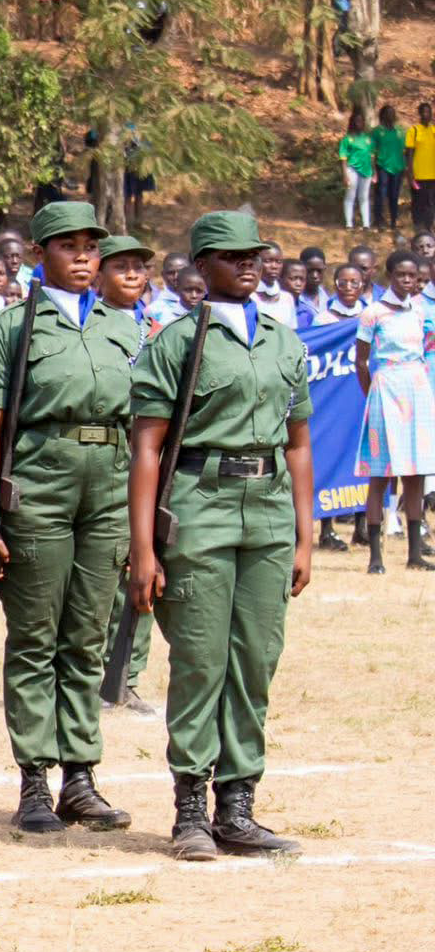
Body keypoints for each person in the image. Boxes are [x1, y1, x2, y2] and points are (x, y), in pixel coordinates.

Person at [130, 212, 313, 860]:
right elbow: (147, 448)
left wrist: (305, 532)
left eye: (254, 255)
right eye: (231, 256)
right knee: (202, 659)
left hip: (266, 509)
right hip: (199, 502)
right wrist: (145, 546)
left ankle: (238, 808)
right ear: (200, 267)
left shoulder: (285, 342)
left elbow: (297, 441)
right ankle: (190, 812)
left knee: (255, 659)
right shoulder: (178, 342)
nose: (248, 264)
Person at [0, 199, 136, 837]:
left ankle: (81, 778)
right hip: (39, 487)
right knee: (36, 638)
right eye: (69, 246)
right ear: (40, 255)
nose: (84, 256)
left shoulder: (125, 328)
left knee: (86, 636)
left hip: (108, 491)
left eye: (91, 245)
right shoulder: (11, 329)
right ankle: (35, 780)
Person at [93, 233, 160, 715]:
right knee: (97, 574)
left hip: (145, 460)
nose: (133, 275)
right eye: (122, 267)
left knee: (141, 571)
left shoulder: (157, 330)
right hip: (103, 460)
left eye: (140, 267)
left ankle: (127, 675)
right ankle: (90, 670)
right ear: (98, 275)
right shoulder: (88, 327)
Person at [354, 250, 435, 573]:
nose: (407, 280)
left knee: (415, 473)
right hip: (385, 389)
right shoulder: (373, 312)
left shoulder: (420, 311)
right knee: (380, 473)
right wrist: (372, 392)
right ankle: (375, 556)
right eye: (401, 274)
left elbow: (427, 351)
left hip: (416, 387)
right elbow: (361, 360)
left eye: (413, 276)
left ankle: (414, 553)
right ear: (390, 275)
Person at [373, 105, 409, 235]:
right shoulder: (377, 131)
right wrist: (373, 170)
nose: (391, 116)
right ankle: (379, 221)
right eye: (388, 113)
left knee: (394, 195)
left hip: (398, 168)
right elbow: (372, 151)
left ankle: (393, 221)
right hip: (382, 167)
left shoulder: (400, 131)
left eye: (393, 113)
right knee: (381, 195)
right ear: (383, 115)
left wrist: (406, 167)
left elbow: (405, 151)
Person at [340, 111, 375, 230]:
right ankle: (349, 224)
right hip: (352, 169)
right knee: (350, 195)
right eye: (357, 121)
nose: (359, 123)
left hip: (366, 171)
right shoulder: (347, 139)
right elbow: (343, 158)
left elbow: (372, 156)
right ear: (353, 123)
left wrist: (374, 172)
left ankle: (366, 224)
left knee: (364, 197)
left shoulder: (368, 139)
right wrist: (345, 175)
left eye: (361, 121)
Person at [252, 241, 295, 326]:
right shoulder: (249, 297)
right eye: (268, 261)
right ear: (257, 263)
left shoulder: (287, 298)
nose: (274, 266)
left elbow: (292, 333)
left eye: (278, 262)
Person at [408, 101, 435, 235]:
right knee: (418, 202)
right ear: (420, 114)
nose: (427, 114)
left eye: (429, 112)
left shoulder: (434, 130)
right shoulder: (414, 130)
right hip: (418, 174)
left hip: (432, 174)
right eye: (424, 112)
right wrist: (410, 173)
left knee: (430, 203)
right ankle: (418, 228)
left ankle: (428, 227)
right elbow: (409, 153)